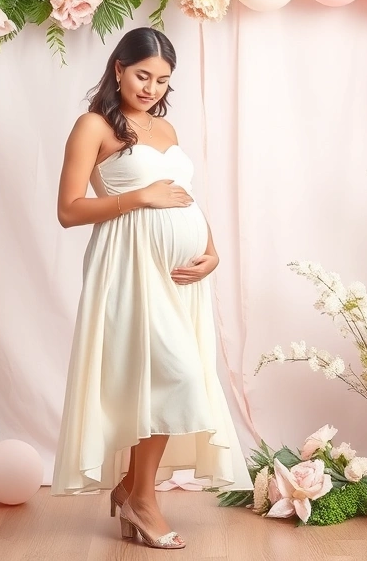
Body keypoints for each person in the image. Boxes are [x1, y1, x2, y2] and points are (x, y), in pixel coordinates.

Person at [51, 27, 251, 550]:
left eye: (163, 80)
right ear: (118, 67)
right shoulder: (92, 125)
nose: (152, 88)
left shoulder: (167, 130)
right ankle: (141, 499)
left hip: (177, 275)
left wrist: (210, 249)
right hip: (128, 267)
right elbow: (69, 211)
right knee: (170, 377)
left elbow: (183, 195)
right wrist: (137, 196)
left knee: (166, 381)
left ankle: (132, 491)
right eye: (143, 75)